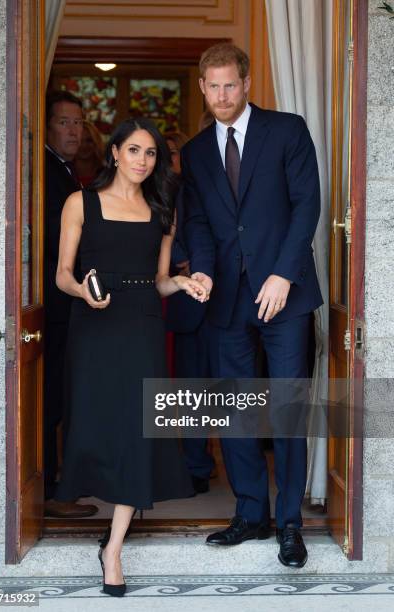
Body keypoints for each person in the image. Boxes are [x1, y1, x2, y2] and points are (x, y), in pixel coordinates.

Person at [181, 43, 323, 568]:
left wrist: (284, 272)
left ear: (247, 83)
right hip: (226, 298)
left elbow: (307, 202)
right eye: (212, 86)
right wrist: (200, 268)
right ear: (202, 87)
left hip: (284, 296)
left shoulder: (287, 130)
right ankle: (250, 513)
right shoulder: (195, 152)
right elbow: (196, 220)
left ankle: (289, 523)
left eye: (230, 85)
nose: (221, 95)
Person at [53, 117, 207, 597]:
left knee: (138, 432)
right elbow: (61, 273)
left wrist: (182, 282)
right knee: (97, 427)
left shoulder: (162, 210)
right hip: (94, 327)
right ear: (115, 153)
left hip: (142, 325)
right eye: (135, 150)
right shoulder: (80, 202)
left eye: (152, 154)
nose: (143, 161)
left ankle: (113, 548)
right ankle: (105, 526)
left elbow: (159, 280)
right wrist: (82, 290)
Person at [44, 90, 98, 519]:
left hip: (67, 305)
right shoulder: (45, 172)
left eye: (78, 122)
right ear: (46, 126)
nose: (73, 130)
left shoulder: (64, 171)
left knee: (62, 397)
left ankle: (57, 486)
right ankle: (49, 493)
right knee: (51, 399)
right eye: (64, 122)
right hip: (53, 305)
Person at [165, 131, 216, 494]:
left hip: (228, 298)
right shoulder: (163, 193)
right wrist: (180, 264)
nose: (168, 161)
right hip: (184, 299)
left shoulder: (205, 187)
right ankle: (195, 465)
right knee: (191, 390)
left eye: (172, 154)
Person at [74, 120, 105, 187]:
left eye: (89, 140)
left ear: (96, 142)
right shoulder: (62, 173)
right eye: (79, 140)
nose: (84, 145)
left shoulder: (107, 174)